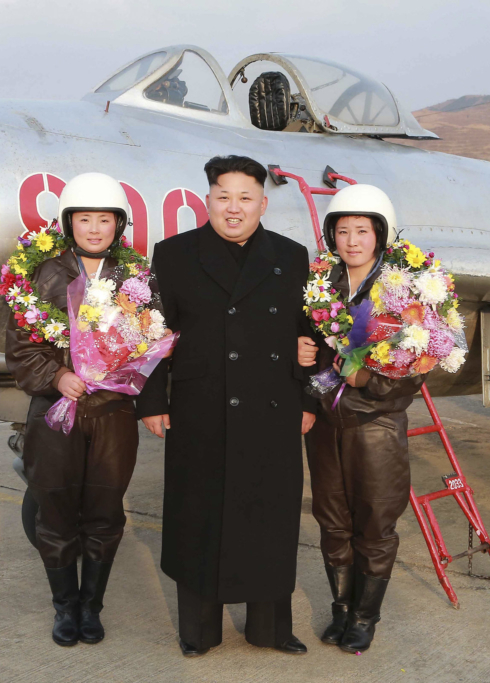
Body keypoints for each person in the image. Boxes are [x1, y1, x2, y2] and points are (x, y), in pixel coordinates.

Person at [137, 155, 317, 657]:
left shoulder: (292, 255)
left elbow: (312, 332)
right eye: (223, 196)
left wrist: (307, 398)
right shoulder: (173, 254)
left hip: (274, 405)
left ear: (262, 203)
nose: (233, 208)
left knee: (271, 515)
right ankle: (198, 630)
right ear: (208, 200)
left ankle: (271, 629)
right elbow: (153, 334)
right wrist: (153, 400)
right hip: (201, 404)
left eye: (244, 198)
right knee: (199, 514)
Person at [6, 173, 142, 647]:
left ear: (118, 224)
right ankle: (65, 608)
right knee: (56, 512)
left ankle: (92, 607)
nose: (95, 228)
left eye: (105, 219)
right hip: (55, 414)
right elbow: (21, 348)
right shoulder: (44, 275)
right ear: (69, 223)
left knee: (106, 513)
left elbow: (150, 339)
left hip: (112, 415)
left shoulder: (135, 279)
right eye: (84, 219)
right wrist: (58, 376)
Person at [297, 185, 424, 653]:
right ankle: (341, 609)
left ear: (380, 236)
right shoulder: (320, 287)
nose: (352, 241)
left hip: (376, 427)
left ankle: (366, 617)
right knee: (332, 520)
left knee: (374, 523)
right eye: (343, 231)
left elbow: (415, 366)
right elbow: (305, 346)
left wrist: (366, 378)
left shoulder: (400, 292)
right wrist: (301, 352)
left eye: (362, 231)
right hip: (328, 427)